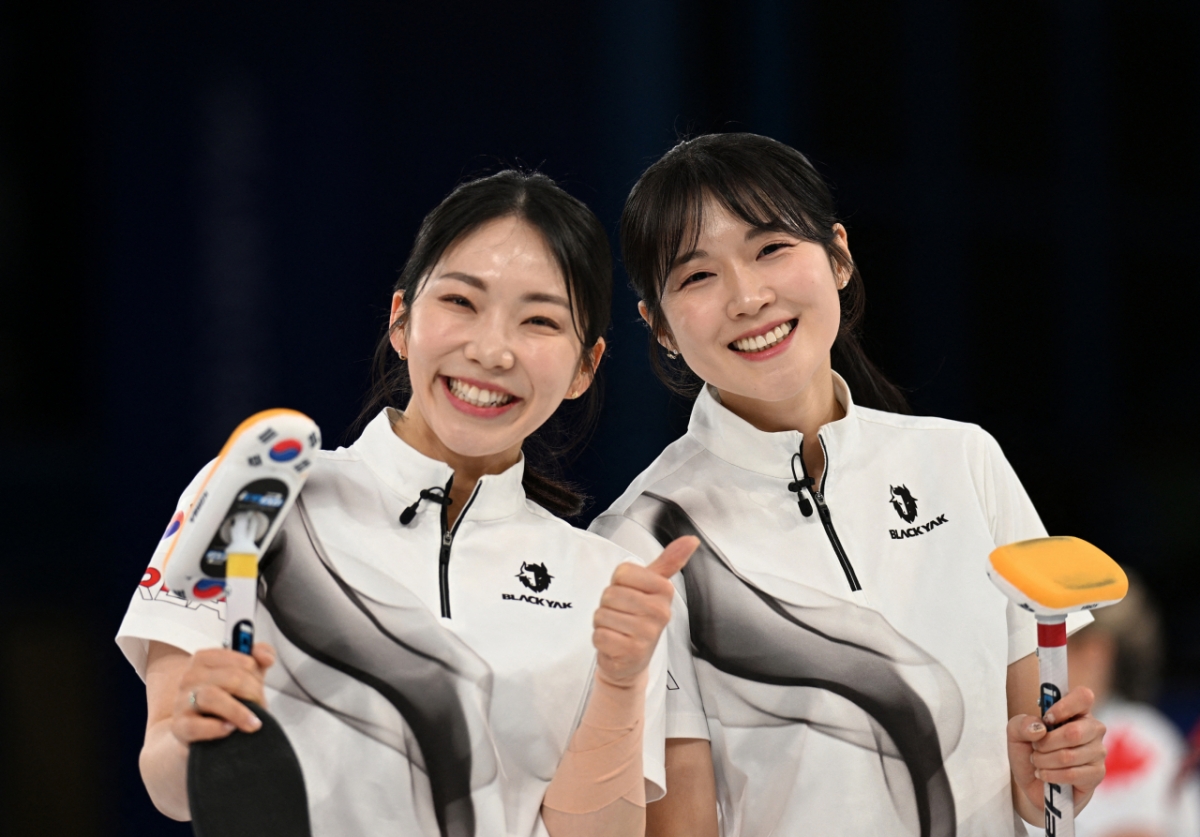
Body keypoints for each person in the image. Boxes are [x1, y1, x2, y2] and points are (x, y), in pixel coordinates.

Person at [117, 169, 697, 837]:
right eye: (460, 301)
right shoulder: (261, 495)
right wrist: (196, 726)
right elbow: (168, 783)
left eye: (539, 320)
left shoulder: (608, 582)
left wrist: (621, 680)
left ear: (584, 367)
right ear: (401, 319)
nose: (491, 350)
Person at [589, 133, 1107, 836]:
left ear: (838, 255)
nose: (748, 297)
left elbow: (1044, 783)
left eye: (771, 248)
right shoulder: (639, 540)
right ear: (660, 327)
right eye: (698, 276)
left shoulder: (964, 461)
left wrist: (1057, 770)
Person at [1026, 571, 1200, 837]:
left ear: (1094, 652)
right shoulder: (1031, 732)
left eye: (1040, 648)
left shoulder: (1137, 736)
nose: (1029, 662)